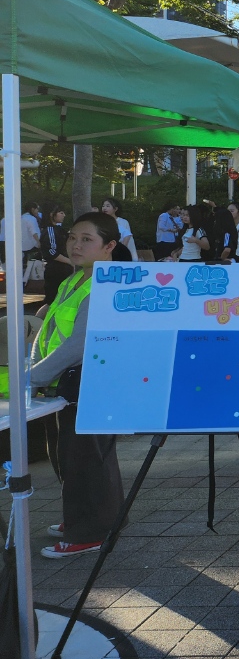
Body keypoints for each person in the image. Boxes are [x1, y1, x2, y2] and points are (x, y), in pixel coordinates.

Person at [29, 212, 126, 558]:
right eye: (72, 237)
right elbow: (55, 326)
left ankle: (90, 530)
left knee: (85, 457)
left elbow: (79, 343)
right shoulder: (77, 279)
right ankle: (97, 519)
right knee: (75, 454)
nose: (75, 244)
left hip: (91, 379)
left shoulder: (104, 283)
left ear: (109, 246)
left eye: (87, 239)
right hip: (70, 381)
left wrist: (33, 376)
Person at [41, 205, 73, 306]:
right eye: (61, 213)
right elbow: (51, 252)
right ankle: (39, 321)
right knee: (52, 302)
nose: (64, 215)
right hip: (55, 271)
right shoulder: (50, 230)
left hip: (64, 270)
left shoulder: (59, 229)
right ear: (52, 214)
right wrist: (70, 261)